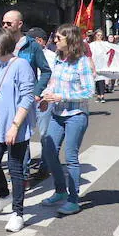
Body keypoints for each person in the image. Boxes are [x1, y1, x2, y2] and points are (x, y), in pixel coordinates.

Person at [0, 29, 36, 233]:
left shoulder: (21, 65)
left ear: (1, 46)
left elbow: (27, 98)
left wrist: (15, 125)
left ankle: (18, 213)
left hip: (16, 127)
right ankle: (4, 194)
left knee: (16, 169)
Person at [39, 25, 95, 216]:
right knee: (49, 151)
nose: (55, 41)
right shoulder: (58, 59)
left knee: (71, 157)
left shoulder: (82, 62)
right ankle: (60, 190)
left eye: (58, 38)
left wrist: (62, 96)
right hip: (57, 113)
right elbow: (53, 84)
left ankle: (73, 199)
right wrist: (45, 96)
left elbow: (89, 91)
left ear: (70, 40)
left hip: (76, 115)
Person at [2, 10, 51, 179]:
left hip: (27, 98)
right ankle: (19, 172)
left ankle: (24, 173)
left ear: (19, 24)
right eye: (3, 23)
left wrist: (37, 92)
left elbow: (45, 71)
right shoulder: (2, 44)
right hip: (7, 100)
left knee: (27, 134)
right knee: (13, 136)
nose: (5, 26)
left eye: (9, 23)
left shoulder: (32, 46)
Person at [26, 27, 56, 138]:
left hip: (44, 99)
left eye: (29, 40)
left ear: (39, 41)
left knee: (44, 132)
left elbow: (54, 78)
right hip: (27, 98)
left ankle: (46, 155)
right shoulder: (24, 55)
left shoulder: (52, 57)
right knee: (25, 133)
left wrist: (47, 96)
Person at [92, 29, 108, 103]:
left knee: (101, 79)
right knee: (96, 80)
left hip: (102, 64)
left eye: (101, 35)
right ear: (95, 35)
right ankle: (98, 95)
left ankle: (102, 95)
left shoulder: (105, 43)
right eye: (98, 35)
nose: (99, 36)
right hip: (94, 63)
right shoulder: (92, 44)